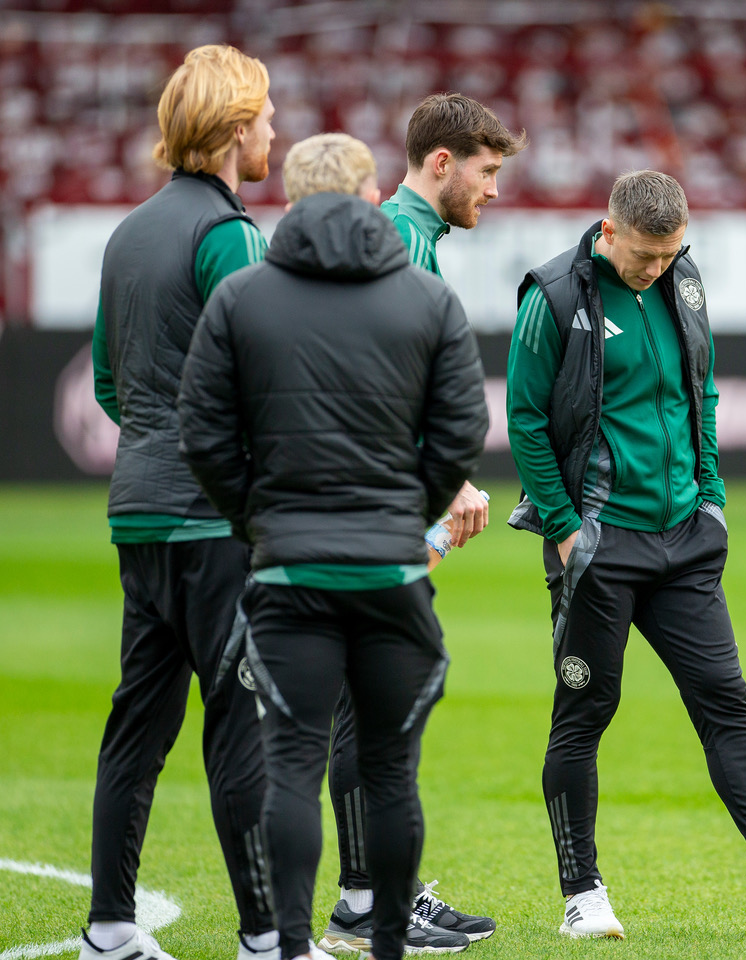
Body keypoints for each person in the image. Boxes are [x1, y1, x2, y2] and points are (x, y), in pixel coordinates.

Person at [505, 170, 746, 939]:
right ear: (608, 232)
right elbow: (526, 421)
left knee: (725, 703)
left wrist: (711, 496)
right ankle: (582, 895)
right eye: (645, 255)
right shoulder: (553, 298)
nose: (657, 269)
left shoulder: (684, 280)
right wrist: (568, 530)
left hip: (684, 541)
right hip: (600, 547)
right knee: (584, 715)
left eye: (671, 254)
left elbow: (699, 393)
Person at [177, 132, 489, 960]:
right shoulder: (424, 298)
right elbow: (460, 431)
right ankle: (386, 944)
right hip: (391, 572)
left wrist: (259, 517)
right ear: (366, 194)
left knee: (290, 769)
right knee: (390, 772)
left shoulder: (243, 297)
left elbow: (202, 434)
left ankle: (286, 946)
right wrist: (404, 513)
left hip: (286, 574)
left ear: (287, 196)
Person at [317, 92, 526, 956]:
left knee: (367, 704)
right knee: (372, 706)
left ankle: (370, 892)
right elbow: (382, 381)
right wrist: (446, 484)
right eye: (485, 172)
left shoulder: (415, 238)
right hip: (376, 517)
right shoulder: (400, 239)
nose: (493, 190)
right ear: (440, 163)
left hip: (369, 508)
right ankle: (368, 901)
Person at [82, 44, 278, 960]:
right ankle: (264, 936)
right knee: (240, 726)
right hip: (214, 521)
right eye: (267, 115)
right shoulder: (229, 234)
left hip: (140, 510)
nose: (274, 128)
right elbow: (260, 379)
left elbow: (112, 386)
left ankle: (111, 927)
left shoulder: (127, 231)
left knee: (137, 724)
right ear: (238, 130)